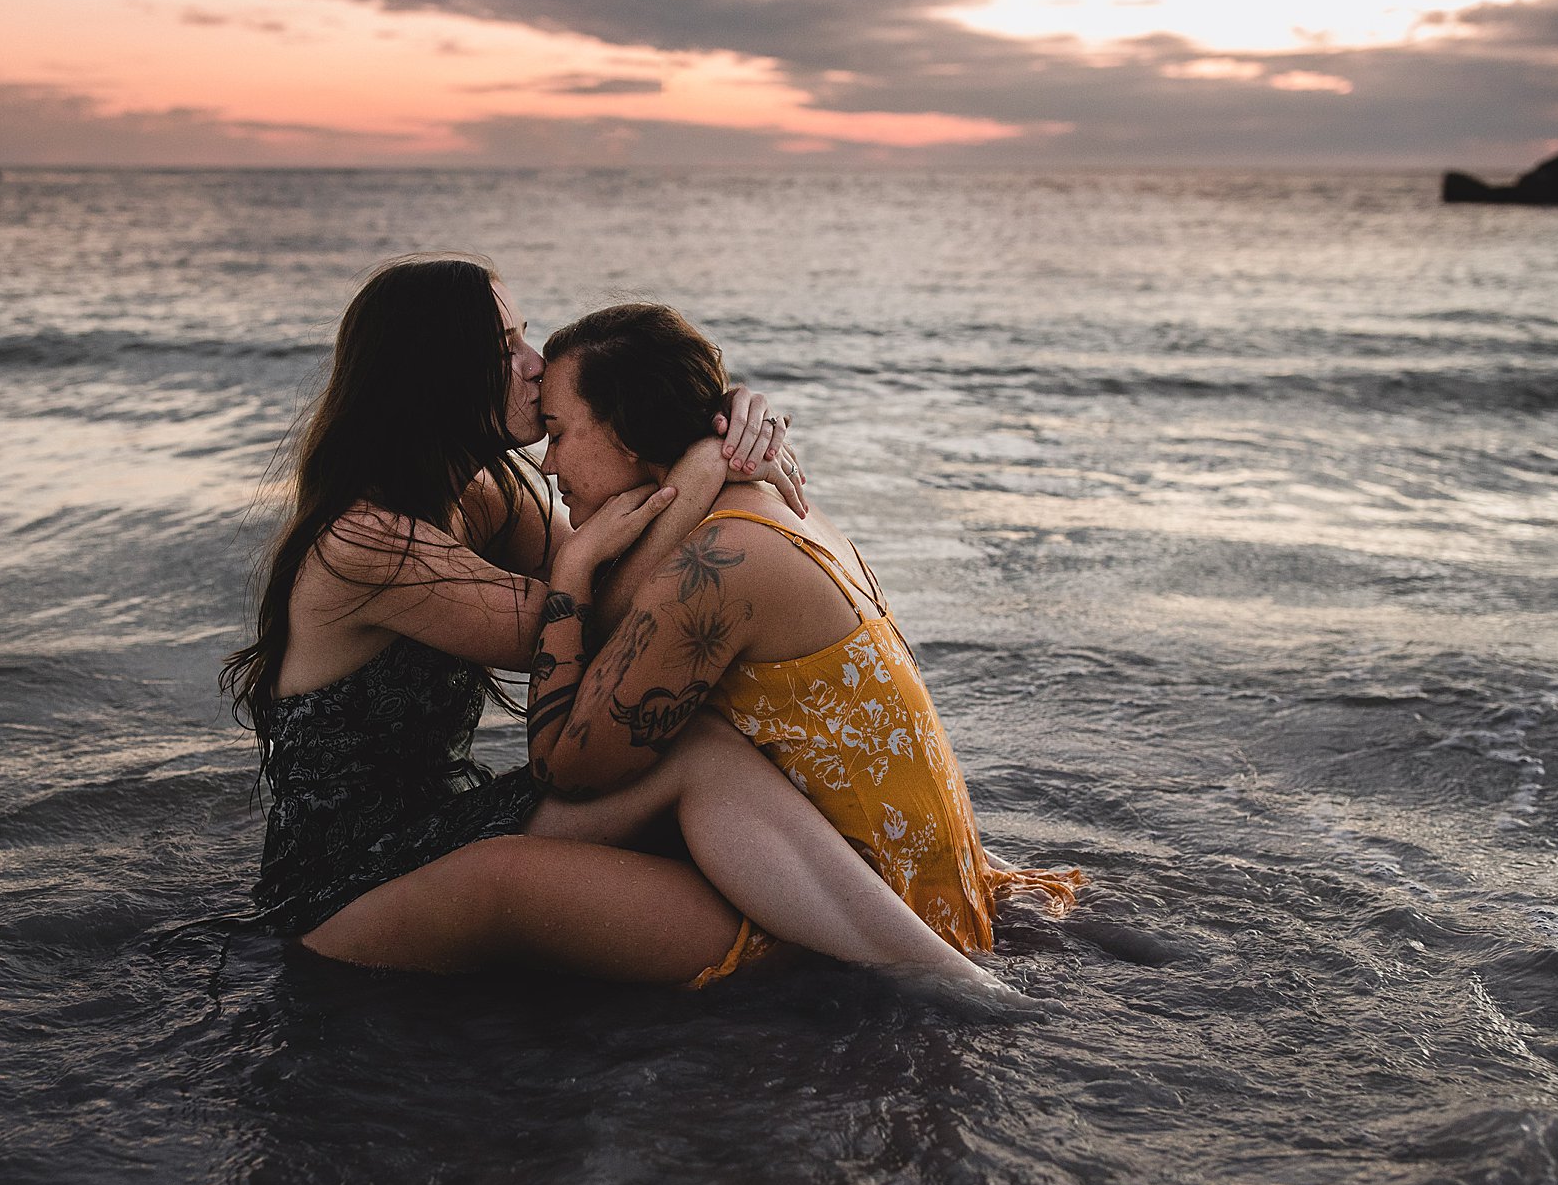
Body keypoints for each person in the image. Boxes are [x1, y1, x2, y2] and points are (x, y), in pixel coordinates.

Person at [222, 255, 1030, 994]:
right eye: (507, 348)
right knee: (694, 754)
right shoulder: (366, 542)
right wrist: (701, 468)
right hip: (342, 881)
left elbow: (623, 589)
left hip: (433, 823)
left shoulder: (485, 495)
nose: (534, 365)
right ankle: (936, 974)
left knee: (691, 730)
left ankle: (919, 923)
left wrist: (718, 419)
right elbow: (590, 620)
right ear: (440, 376)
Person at [527, 302, 1086, 987]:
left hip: (875, 909)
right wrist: (706, 454)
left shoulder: (724, 556)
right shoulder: (760, 507)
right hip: (911, 877)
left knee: (537, 846)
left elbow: (566, 767)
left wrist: (572, 569)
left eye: (555, 433)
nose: (546, 462)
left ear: (624, 429)